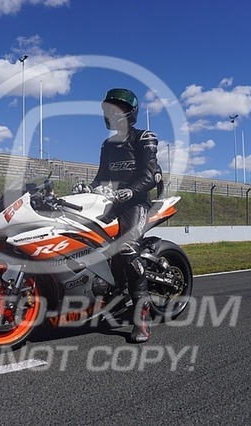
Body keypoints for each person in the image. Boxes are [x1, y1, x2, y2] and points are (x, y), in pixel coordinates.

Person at [89, 88, 162, 343]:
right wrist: (87, 189)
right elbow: (101, 177)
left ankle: (142, 316)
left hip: (137, 203)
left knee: (127, 248)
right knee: (88, 238)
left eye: (117, 109)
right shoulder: (107, 145)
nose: (112, 114)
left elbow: (152, 174)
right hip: (112, 203)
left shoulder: (144, 137)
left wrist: (130, 191)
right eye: (109, 110)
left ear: (130, 112)